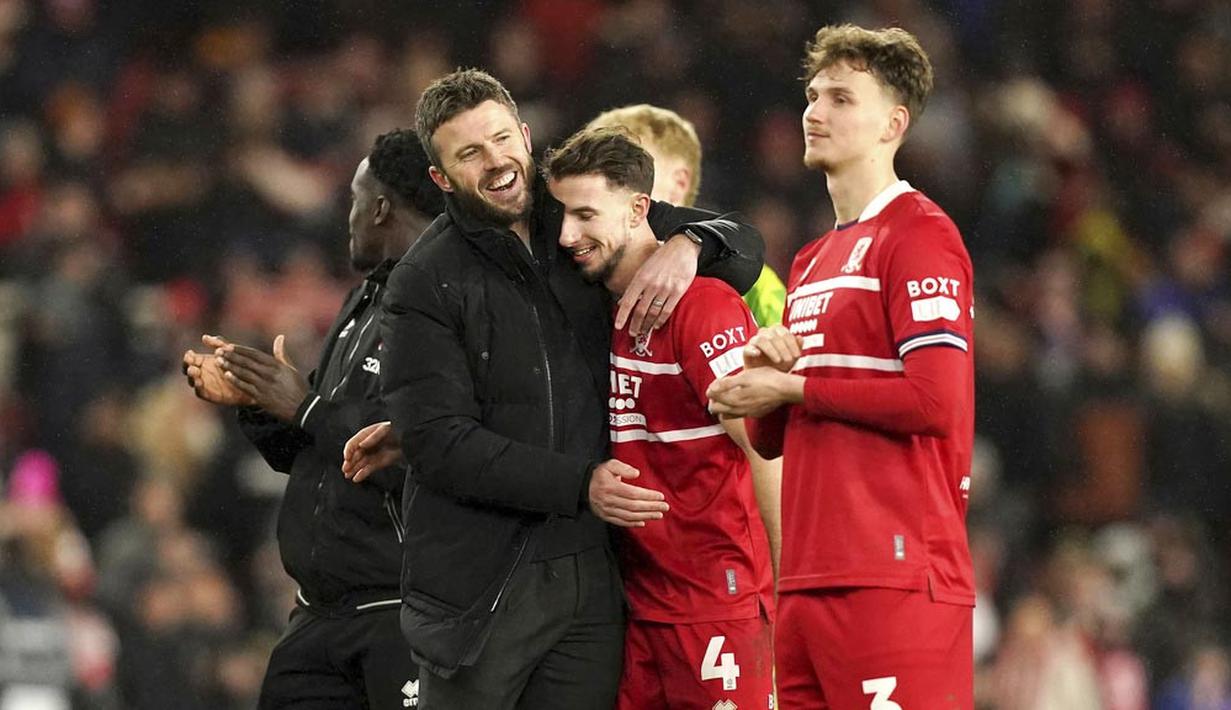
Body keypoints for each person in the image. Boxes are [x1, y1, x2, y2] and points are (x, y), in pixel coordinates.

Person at [342, 68, 763, 709]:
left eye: (501, 138)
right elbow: (440, 442)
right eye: (469, 153)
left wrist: (689, 244)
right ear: (441, 178)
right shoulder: (423, 280)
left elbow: (741, 241)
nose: (496, 162)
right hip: (481, 590)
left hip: (595, 579)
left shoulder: (576, 216)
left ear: (526, 135)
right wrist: (578, 484)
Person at [706, 25, 976, 709]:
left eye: (839, 98)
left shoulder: (919, 234)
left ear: (894, 123)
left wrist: (793, 384)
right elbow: (776, 440)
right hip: (804, 578)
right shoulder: (810, 261)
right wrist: (761, 389)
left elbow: (932, 401)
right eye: (811, 95)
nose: (814, 112)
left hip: (892, 578)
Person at [180, 129, 443, 709]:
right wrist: (256, 402)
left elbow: (425, 452)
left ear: (380, 207)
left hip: (398, 616)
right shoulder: (362, 302)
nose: (346, 215)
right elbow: (317, 449)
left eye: (354, 198)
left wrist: (304, 404)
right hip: (317, 613)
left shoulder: (447, 304)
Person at [544, 127, 776, 710]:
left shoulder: (703, 307)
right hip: (640, 604)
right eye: (562, 215)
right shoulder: (606, 309)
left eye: (585, 214)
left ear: (638, 209)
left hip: (718, 605)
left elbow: (769, 450)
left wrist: (793, 587)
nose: (568, 235)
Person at [586, 105, 783, 572]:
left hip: (713, 568)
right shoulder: (594, 278)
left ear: (673, 185)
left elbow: (769, 440)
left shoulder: (750, 290)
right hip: (632, 565)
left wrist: (784, 573)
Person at [587, 104, 788, 329]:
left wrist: (691, 242)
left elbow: (796, 356)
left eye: (623, 172)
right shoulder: (588, 272)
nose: (605, 189)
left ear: (678, 184)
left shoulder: (757, 286)